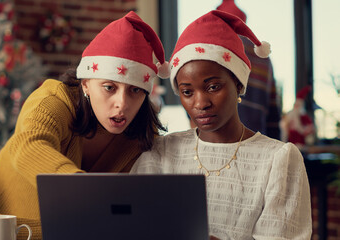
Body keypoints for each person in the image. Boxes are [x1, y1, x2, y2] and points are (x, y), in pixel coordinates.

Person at [0, 11, 169, 240]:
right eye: (109, 87)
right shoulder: (53, 100)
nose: (122, 104)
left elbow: (105, 223)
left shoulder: (140, 136)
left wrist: (19, 231)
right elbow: (28, 146)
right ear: (86, 85)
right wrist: (85, 190)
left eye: (135, 90)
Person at [131, 10, 312, 239]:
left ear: (238, 84)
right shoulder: (161, 152)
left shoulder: (278, 160)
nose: (201, 103)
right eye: (187, 92)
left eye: (213, 87)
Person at [215, 0, 281, 139]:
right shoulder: (263, 55)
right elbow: (273, 107)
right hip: (259, 137)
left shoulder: (217, 47)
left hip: (223, 137)